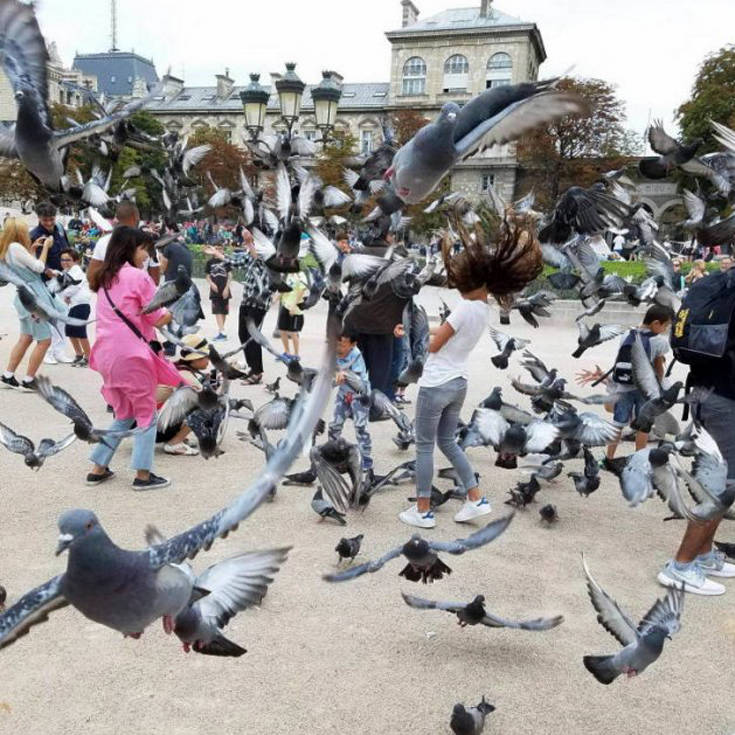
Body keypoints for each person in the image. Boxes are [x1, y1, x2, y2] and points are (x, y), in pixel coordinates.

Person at [399, 213, 543, 528]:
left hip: (436, 384)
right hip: (458, 383)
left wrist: (413, 334)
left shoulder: (464, 307)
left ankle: (423, 509)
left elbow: (434, 346)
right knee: (448, 442)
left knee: (425, 445)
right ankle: (475, 499)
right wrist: (433, 331)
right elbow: (449, 334)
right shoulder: (480, 308)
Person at [657, 263, 735, 595]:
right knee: (719, 487)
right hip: (724, 400)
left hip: (710, 392)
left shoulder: (721, 284)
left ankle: (703, 554)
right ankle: (681, 565)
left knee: (726, 482)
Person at [86, 226, 181, 490]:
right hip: (131, 355)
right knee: (146, 412)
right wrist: (175, 310)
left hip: (107, 354)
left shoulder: (104, 277)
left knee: (126, 411)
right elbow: (157, 317)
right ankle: (143, 474)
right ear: (131, 248)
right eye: (144, 249)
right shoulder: (138, 277)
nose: (146, 256)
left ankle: (99, 466)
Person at [576, 305, 673, 464]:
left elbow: (619, 360)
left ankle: (608, 458)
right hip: (644, 390)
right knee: (644, 425)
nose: (665, 329)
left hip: (622, 387)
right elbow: (659, 369)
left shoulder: (627, 333)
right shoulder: (658, 341)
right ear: (656, 323)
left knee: (618, 424)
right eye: (666, 325)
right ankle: (639, 459)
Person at [0, 218, 60, 390]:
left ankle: (8, 375)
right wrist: (46, 248)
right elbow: (39, 268)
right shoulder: (16, 247)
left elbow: (27, 266)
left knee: (25, 338)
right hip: (32, 299)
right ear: (19, 232)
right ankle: (28, 380)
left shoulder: (9, 248)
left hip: (23, 297)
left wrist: (32, 250)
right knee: (44, 340)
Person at [155, 333, 213, 456]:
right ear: (194, 359)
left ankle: (176, 436)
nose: (209, 360)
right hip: (154, 429)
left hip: (144, 423)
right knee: (207, 407)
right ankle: (174, 443)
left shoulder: (175, 367)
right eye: (206, 356)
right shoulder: (186, 376)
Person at [31, 201, 74, 364]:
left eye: (51, 219)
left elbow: (68, 251)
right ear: (39, 219)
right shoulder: (35, 235)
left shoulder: (61, 230)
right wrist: (47, 271)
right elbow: (33, 260)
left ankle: (59, 351)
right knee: (48, 317)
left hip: (64, 279)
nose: (49, 223)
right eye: (45, 220)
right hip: (45, 282)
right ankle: (47, 352)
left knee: (63, 316)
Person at [331, 331, 374, 480]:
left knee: (361, 428)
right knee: (334, 426)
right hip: (343, 395)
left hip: (359, 396)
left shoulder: (356, 356)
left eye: (342, 344)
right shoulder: (333, 354)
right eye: (337, 343)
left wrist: (345, 374)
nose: (339, 347)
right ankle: (333, 456)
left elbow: (360, 385)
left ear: (353, 344)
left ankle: (366, 460)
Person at [87, 201, 160, 286]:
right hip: (139, 294)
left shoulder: (103, 242)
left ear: (117, 218)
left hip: (111, 295)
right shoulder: (147, 241)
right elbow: (155, 280)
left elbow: (91, 277)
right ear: (135, 217)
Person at [238, 231, 275, 385]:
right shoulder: (253, 254)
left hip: (259, 304)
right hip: (246, 301)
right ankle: (252, 368)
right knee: (242, 334)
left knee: (252, 336)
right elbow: (239, 262)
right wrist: (218, 255)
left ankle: (257, 372)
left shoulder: (271, 254)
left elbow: (260, 260)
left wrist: (249, 242)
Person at [56, 248, 92, 366]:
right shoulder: (68, 272)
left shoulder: (76, 270)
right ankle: (79, 354)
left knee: (79, 331)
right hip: (75, 305)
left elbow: (73, 287)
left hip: (82, 305)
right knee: (70, 330)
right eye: (62, 259)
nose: (64, 262)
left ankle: (89, 357)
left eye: (68, 259)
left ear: (76, 261)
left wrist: (64, 295)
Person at [277, 270, 308, 361]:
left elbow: (302, 290)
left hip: (295, 308)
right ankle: (287, 352)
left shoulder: (301, 275)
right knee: (282, 330)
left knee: (293, 333)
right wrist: (275, 299)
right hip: (286, 305)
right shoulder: (289, 275)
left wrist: (294, 305)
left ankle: (296, 354)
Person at [204, 246, 232, 341]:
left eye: (220, 248)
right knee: (217, 311)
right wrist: (212, 284)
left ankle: (221, 332)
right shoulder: (209, 262)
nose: (218, 250)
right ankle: (222, 331)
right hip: (215, 290)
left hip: (225, 288)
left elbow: (230, 275)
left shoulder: (226, 261)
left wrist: (227, 288)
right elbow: (207, 276)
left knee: (223, 311)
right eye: (216, 248)